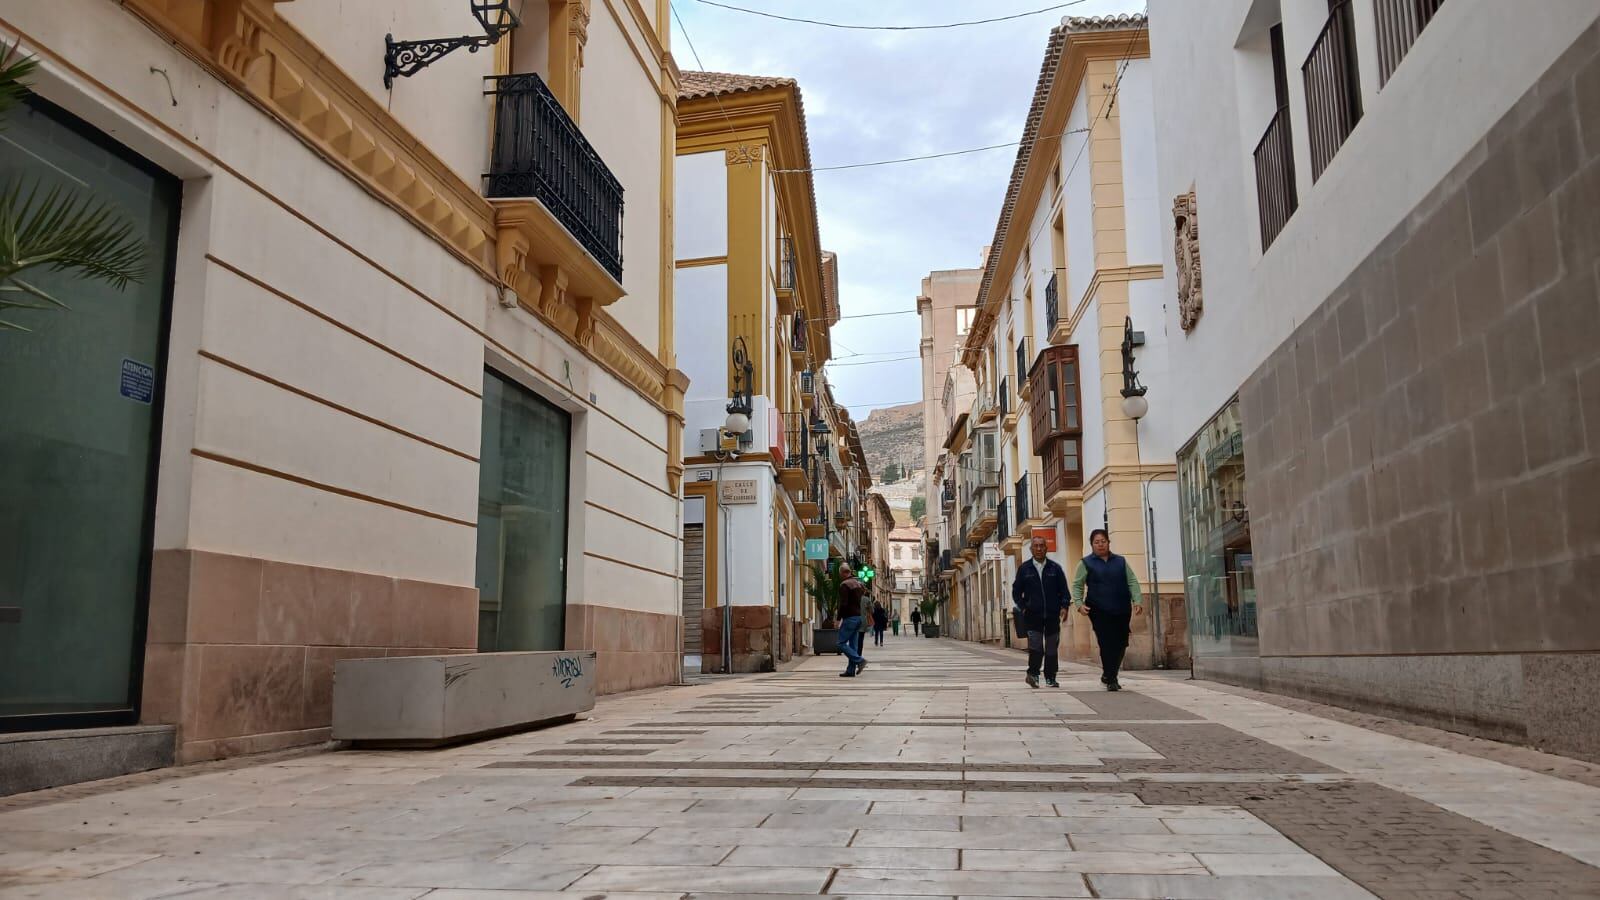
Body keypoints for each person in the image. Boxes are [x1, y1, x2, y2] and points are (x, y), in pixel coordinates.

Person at [1072, 528, 1144, 691]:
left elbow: (1132, 581)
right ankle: (1111, 678)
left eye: (1103, 541)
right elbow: (1077, 584)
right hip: (1098, 609)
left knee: (1121, 643)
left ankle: (1108, 673)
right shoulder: (1085, 563)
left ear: (1108, 543)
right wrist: (1078, 604)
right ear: (1091, 545)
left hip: (1122, 607)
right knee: (1106, 643)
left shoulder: (1120, 561)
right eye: (1096, 542)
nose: (1100, 545)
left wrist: (1137, 600)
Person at [1012, 534, 1070, 688]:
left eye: (1041, 546)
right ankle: (1033, 674)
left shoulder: (1055, 568)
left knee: (1051, 648)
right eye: (1035, 546)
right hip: (1033, 616)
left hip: (1052, 615)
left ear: (1046, 548)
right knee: (1036, 647)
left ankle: (1051, 677)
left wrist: (1064, 606)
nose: (1038, 548)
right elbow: (1016, 592)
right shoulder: (1024, 569)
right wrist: (1024, 607)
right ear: (1031, 549)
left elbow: (1064, 590)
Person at [836, 559, 869, 677]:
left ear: (843, 573)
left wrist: (838, 618)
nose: (840, 576)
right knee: (853, 645)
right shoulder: (858, 584)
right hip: (858, 617)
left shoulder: (844, 585)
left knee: (840, 643)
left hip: (849, 618)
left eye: (840, 574)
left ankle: (860, 660)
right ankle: (850, 670)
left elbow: (843, 604)